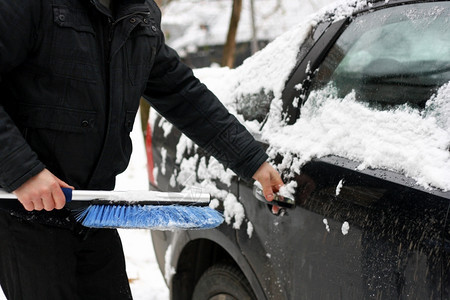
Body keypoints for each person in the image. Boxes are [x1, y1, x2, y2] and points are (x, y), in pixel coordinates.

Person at [0, 0, 283, 299]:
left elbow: (184, 95)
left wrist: (253, 161)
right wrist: (23, 172)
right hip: (27, 214)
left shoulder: (140, 15)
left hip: (94, 210)